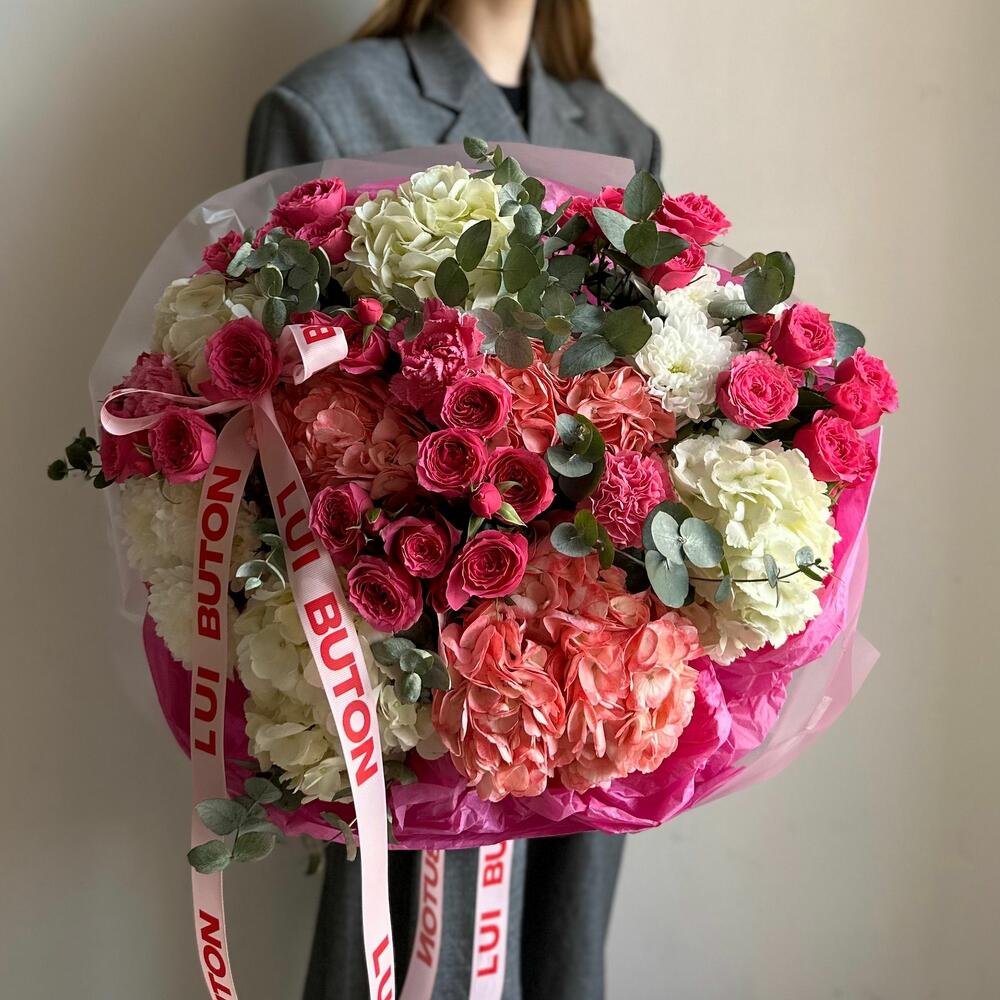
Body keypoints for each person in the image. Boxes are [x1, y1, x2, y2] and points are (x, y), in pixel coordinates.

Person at [245, 3, 662, 998]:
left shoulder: (619, 135)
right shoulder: (327, 108)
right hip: (407, 649)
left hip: (588, 653)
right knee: (396, 956)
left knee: (565, 946)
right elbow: (268, 417)